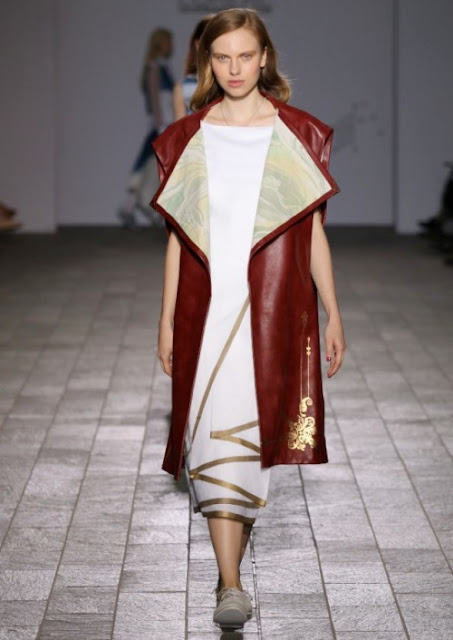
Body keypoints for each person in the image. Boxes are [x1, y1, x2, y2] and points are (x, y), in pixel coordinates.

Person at [151, 8, 345, 630]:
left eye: (245, 56)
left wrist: (333, 311)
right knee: (210, 437)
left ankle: (230, 559)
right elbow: (179, 237)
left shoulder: (296, 133)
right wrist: (165, 321)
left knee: (252, 442)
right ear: (208, 62)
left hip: (269, 309)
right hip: (207, 311)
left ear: (264, 59)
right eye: (222, 57)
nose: (234, 68)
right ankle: (230, 583)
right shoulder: (190, 137)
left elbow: (311, 233)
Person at [118, 28, 174, 228]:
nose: (171, 45)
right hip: (161, 125)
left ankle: (131, 208)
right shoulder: (154, 67)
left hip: (165, 125)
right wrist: (161, 124)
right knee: (152, 167)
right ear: (160, 43)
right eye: (168, 41)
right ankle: (138, 208)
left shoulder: (161, 67)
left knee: (148, 166)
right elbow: (155, 97)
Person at [173, 16, 214, 120]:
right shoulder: (182, 88)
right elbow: (180, 127)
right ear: (197, 44)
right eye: (209, 40)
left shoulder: (232, 84)